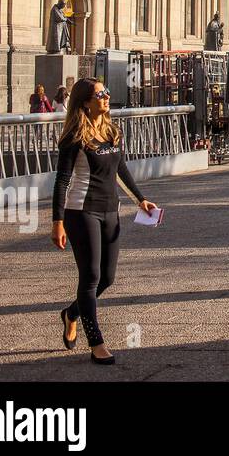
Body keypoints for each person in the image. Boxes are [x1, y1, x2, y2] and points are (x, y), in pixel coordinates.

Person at [50, 78, 158, 365]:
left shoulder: (111, 132)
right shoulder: (75, 136)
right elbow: (62, 182)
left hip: (111, 210)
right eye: (101, 94)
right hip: (81, 211)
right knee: (90, 277)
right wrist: (57, 221)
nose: (107, 97)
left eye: (107, 92)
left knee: (107, 278)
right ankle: (96, 342)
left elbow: (120, 168)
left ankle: (71, 313)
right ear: (86, 101)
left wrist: (140, 199)